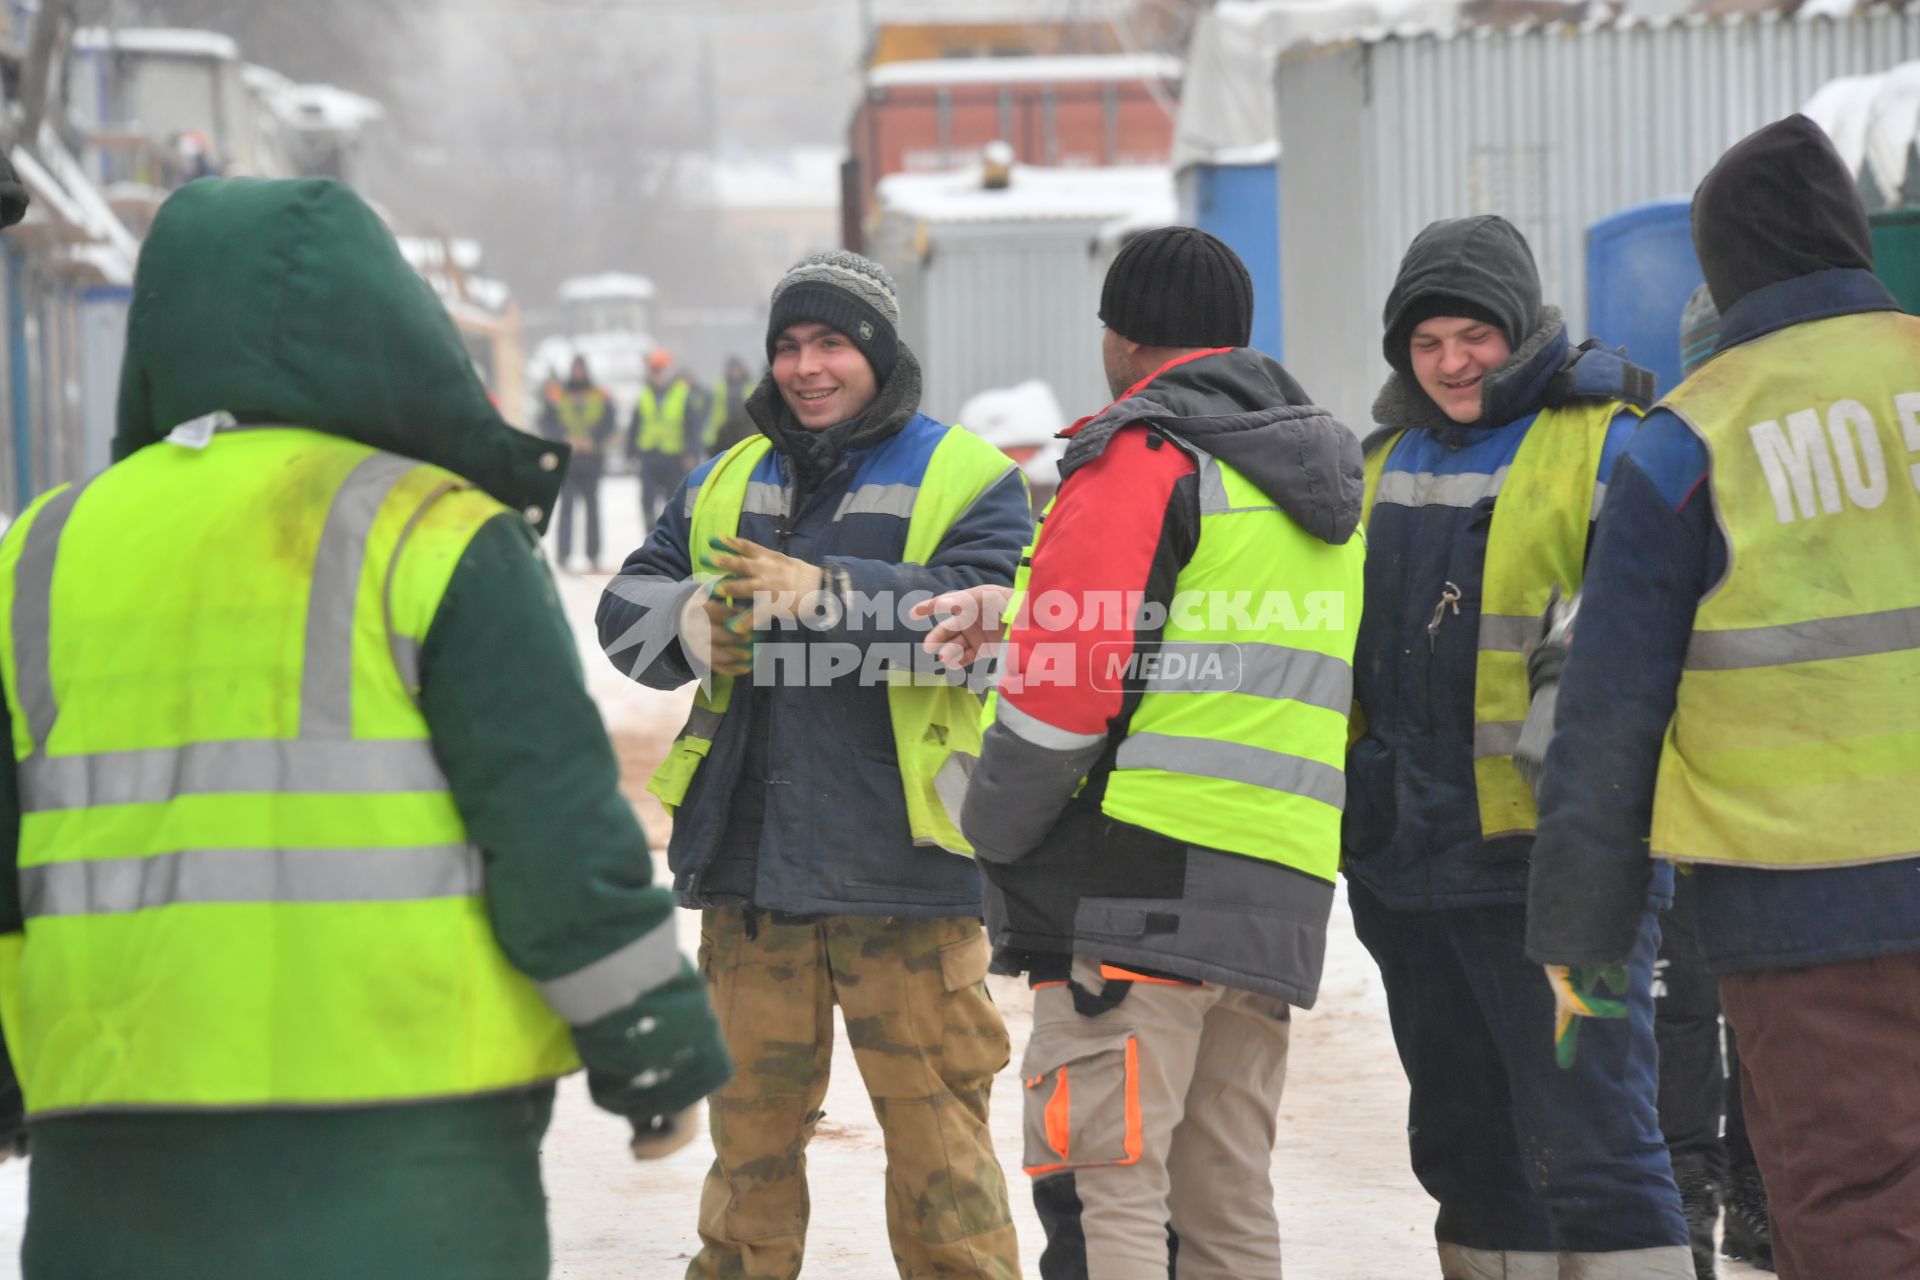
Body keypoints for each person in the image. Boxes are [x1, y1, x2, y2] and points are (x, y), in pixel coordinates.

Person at [0, 177, 728, 1279]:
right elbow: (554, 822)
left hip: (114, 1150)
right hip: (411, 1152)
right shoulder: (439, 535)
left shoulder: (41, 554)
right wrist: (650, 1041)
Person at [1526, 114, 1920, 1280]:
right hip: (1811, 916)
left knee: (1858, 1212)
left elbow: (1608, 717)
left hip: (1807, 925)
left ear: (1725, 266)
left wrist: (1584, 942)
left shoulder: (1692, 438)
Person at [596, 248, 1031, 1280]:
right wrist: (691, 620)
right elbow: (624, 605)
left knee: (943, 1165)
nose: (807, 366)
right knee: (746, 1162)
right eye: (790, 345)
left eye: (831, 342)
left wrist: (826, 591)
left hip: (906, 876)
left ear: (878, 354)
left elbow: (995, 616)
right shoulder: (726, 475)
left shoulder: (968, 476)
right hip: (752, 876)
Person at [943, 225, 1366, 1279]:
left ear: (1123, 340)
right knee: (1227, 1202)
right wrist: (1020, 604)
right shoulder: (1316, 477)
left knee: (1110, 1189)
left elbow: (1068, 690)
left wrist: (990, 825)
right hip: (1277, 890)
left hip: (1138, 888)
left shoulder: (1143, 454)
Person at [1346, 213, 1692, 1279]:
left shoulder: (1614, 440)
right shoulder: (1380, 460)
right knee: (1467, 1152)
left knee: (1595, 1150)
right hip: (1410, 871)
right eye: (1428, 341)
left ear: (1523, 326)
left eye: (1475, 335)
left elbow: (1641, 622)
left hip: (1561, 871)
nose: (1452, 362)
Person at [1650, 284, 1773, 1280]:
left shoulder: (1676, 464)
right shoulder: (1672, 470)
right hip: (1712, 809)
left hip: (1732, 808)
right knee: (1704, 1015)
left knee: (1707, 1016)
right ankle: (1718, 1211)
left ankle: (1726, 1209)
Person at [540, 354, 615, 571]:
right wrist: (564, 437)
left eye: (581, 369)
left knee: (592, 508)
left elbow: (610, 420)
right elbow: (545, 420)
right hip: (569, 458)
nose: (578, 373)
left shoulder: (599, 394)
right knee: (567, 507)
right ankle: (564, 554)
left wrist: (594, 439)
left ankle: (593, 554)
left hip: (592, 458)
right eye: (575, 369)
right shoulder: (558, 394)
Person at [630, 346, 699, 529]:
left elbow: (691, 426)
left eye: (661, 370)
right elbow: (635, 425)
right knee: (647, 501)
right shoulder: (644, 394)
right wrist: (629, 453)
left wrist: (691, 452)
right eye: (654, 370)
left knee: (673, 501)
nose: (658, 374)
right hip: (649, 454)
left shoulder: (682, 394)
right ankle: (650, 535)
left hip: (674, 456)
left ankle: (669, 536)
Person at [705, 354, 755, 456]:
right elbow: (713, 412)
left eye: (736, 369)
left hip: (744, 432)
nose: (734, 372)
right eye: (732, 369)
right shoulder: (720, 387)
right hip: (724, 431)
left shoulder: (749, 387)